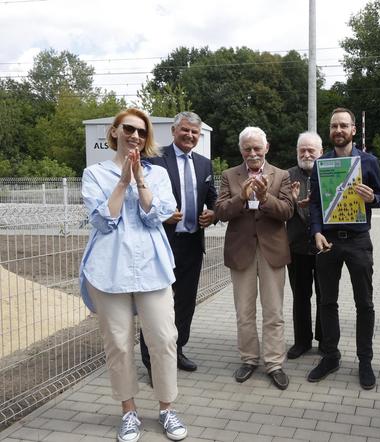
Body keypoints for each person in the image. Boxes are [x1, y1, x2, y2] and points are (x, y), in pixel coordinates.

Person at [79, 108, 187, 442]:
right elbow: (103, 220)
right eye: (129, 129)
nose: (135, 136)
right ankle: (128, 411)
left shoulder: (158, 174)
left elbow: (158, 215)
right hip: (109, 269)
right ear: (114, 131)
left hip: (151, 267)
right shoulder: (94, 173)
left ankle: (167, 408)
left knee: (164, 338)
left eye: (142, 132)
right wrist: (123, 180)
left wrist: (139, 178)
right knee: (119, 345)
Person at [307, 107, 380, 390]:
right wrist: (315, 231)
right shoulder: (321, 163)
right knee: (327, 302)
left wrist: (372, 197)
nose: (338, 130)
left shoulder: (368, 161)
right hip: (328, 241)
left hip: (358, 240)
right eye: (333, 126)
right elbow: (315, 202)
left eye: (343, 125)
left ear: (353, 130)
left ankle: (365, 360)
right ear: (330, 131)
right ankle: (330, 355)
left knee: (364, 303)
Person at [139, 111, 217, 379]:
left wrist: (213, 213)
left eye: (195, 132)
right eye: (185, 130)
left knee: (185, 303)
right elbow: (141, 199)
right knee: (155, 304)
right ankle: (151, 362)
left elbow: (213, 198)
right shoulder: (154, 159)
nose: (189, 135)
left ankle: (177, 350)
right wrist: (162, 214)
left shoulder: (205, 165)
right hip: (162, 245)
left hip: (193, 245)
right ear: (173, 131)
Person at [215, 126, 294, 390]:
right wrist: (243, 196)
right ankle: (249, 359)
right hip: (241, 251)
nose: (252, 153)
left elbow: (286, 211)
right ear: (241, 150)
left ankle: (274, 363)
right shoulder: (229, 175)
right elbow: (221, 211)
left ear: (266, 148)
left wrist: (264, 197)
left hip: (272, 251)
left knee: (274, 312)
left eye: (257, 148)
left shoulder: (281, 175)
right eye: (247, 148)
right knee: (244, 312)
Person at [286, 131, 324, 359]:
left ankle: (324, 340)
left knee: (325, 296)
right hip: (297, 246)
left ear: (320, 152)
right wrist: (291, 200)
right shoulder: (286, 176)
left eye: (311, 150)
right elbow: (280, 211)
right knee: (300, 296)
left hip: (324, 246)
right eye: (303, 150)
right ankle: (302, 341)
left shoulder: (330, 171)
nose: (307, 154)